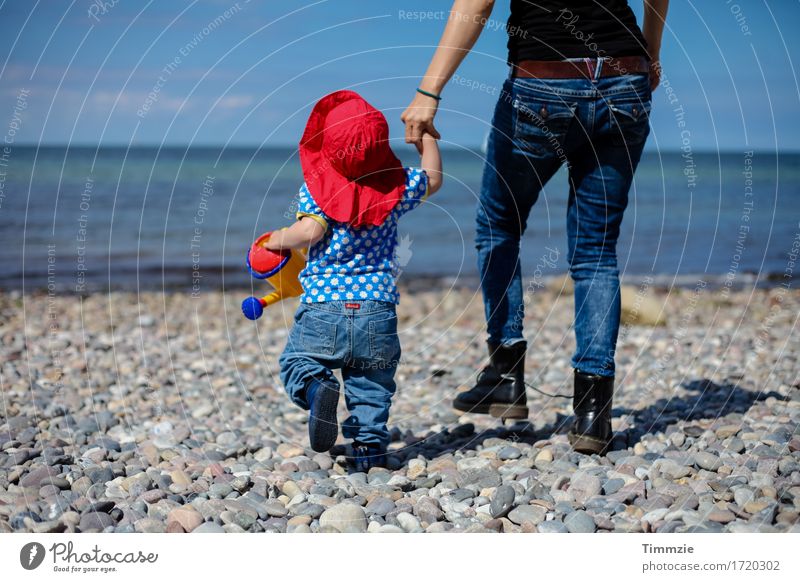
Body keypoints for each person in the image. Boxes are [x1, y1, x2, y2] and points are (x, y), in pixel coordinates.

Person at [401, 0, 668, 455]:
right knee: (596, 251)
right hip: (627, 77)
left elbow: (477, 2)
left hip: (545, 80)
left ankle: (505, 375)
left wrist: (429, 92)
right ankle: (592, 413)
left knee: (499, 225)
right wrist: (650, 52)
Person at [267, 90, 442, 471]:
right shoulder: (396, 189)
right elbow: (432, 179)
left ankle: (316, 387)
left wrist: (275, 239)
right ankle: (370, 451)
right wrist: (425, 136)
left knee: (296, 361)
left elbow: (309, 232)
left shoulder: (316, 190)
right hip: (377, 308)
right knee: (372, 386)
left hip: (323, 307)